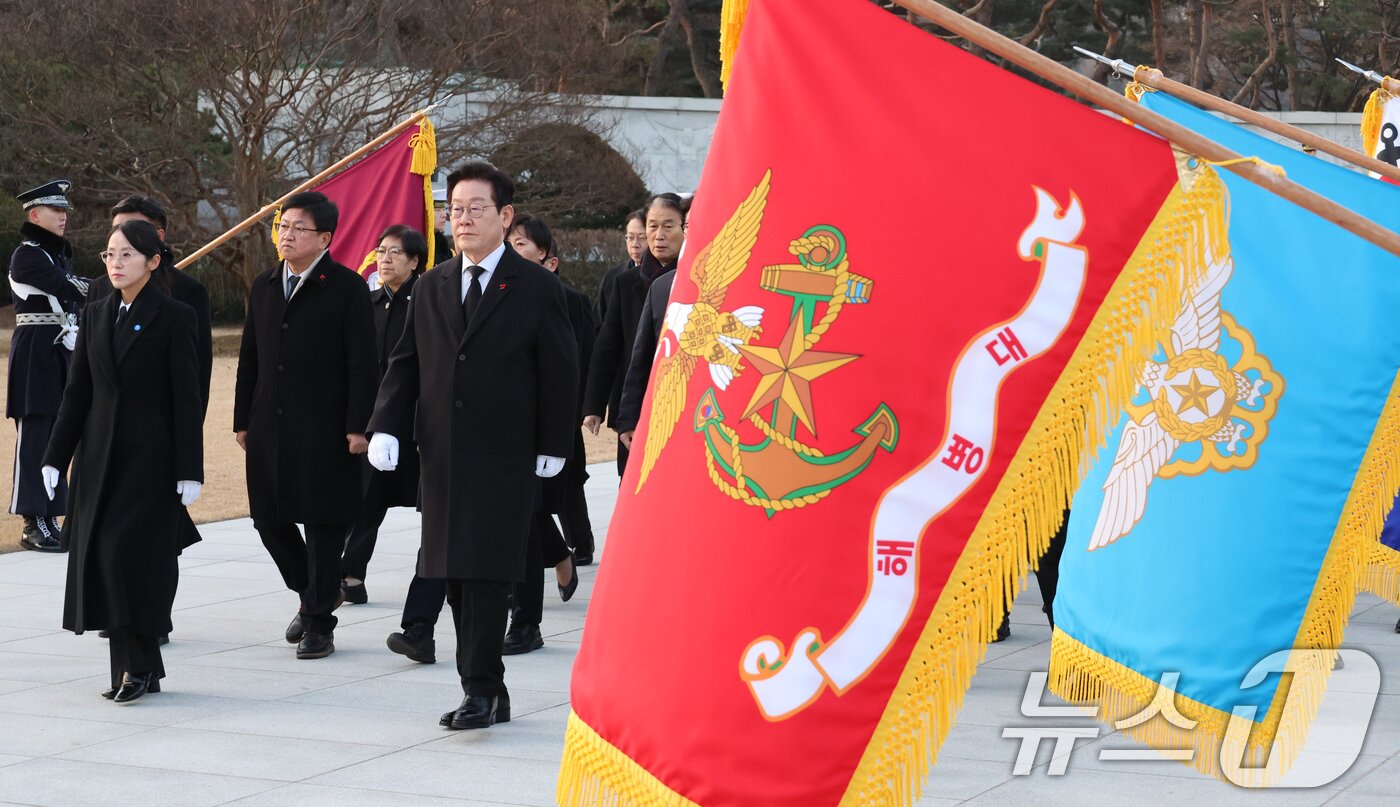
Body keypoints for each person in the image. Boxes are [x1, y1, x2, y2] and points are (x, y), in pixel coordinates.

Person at [367, 160, 577, 730]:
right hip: (442, 455)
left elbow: (559, 369)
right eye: (454, 209)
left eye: (475, 208)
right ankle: (488, 688)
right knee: (454, 574)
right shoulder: (432, 284)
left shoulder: (535, 286)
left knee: (485, 573)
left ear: (505, 216)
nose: (461, 219)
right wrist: (385, 424)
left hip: (505, 454)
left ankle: (479, 689)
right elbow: (406, 362)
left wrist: (553, 441)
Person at [42, 219, 202, 703]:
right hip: (97, 461)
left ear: (153, 261)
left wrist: (189, 468)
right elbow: (78, 393)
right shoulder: (95, 314)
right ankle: (140, 670)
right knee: (108, 560)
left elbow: (186, 398)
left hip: (149, 462)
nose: (116, 263)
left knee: (124, 559)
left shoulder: (174, 316)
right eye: (110, 254)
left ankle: (135, 669)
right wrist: (54, 457)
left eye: (127, 254)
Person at [234, 191, 378, 660]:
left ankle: (319, 624)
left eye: (299, 228)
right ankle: (317, 591)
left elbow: (363, 363)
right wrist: (242, 419)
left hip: (326, 428)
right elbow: (250, 358)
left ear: (325, 238)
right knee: (268, 519)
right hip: (269, 425)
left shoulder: (347, 287)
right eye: (283, 226)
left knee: (323, 524)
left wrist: (359, 426)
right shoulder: (264, 284)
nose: (287, 235)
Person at [89, 196, 213, 640]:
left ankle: (153, 619)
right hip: (107, 441)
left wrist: (185, 449)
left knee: (158, 540)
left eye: (131, 236)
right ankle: (121, 613)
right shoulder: (100, 292)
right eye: (113, 242)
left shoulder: (187, 294)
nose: (118, 254)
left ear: (157, 239)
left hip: (157, 441)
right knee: (111, 535)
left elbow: (194, 379)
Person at [500, 213, 588, 655]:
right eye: (509, 242)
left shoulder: (563, 297)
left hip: (540, 429)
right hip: (492, 427)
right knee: (520, 518)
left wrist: (560, 433)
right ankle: (558, 557)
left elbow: (570, 368)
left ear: (546, 257)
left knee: (528, 518)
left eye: (521, 244)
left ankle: (525, 620)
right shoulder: (484, 288)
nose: (512, 250)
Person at [341, 225, 426, 605]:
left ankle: (441, 577)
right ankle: (351, 576)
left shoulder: (427, 302)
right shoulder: (367, 303)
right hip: (377, 423)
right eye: (381, 251)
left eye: (395, 252)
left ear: (414, 261)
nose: (385, 259)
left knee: (435, 506)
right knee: (366, 499)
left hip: (419, 423)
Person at [8, 180, 88, 552]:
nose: (63, 216)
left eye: (64, 210)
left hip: (60, 351)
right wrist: (119, 282)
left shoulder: (56, 255)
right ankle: (32, 521)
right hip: (35, 354)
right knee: (36, 437)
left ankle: (51, 517)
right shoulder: (27, 255)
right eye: (56, 210)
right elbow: (68, 287)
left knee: (59, 436)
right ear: (35, 215)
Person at [583, 194, 685, 477]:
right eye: (653, 226)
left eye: (668, 226)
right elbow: (608, 346)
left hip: (681, 402)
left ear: (686, 227)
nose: (659, 235)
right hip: (635, 405)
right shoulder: (625, 283)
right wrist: (594, 405)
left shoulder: (698, 280)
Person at [594, 208, 646, 327]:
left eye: (642, 237)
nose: (635, 244)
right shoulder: (612, 278)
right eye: (630, 237)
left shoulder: (666, 277)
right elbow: (598, 323)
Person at [431, 187, 455, 267]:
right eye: (437, 210)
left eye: (444, 209)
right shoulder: (416, 247)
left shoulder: (446, 250)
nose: (444, 215)